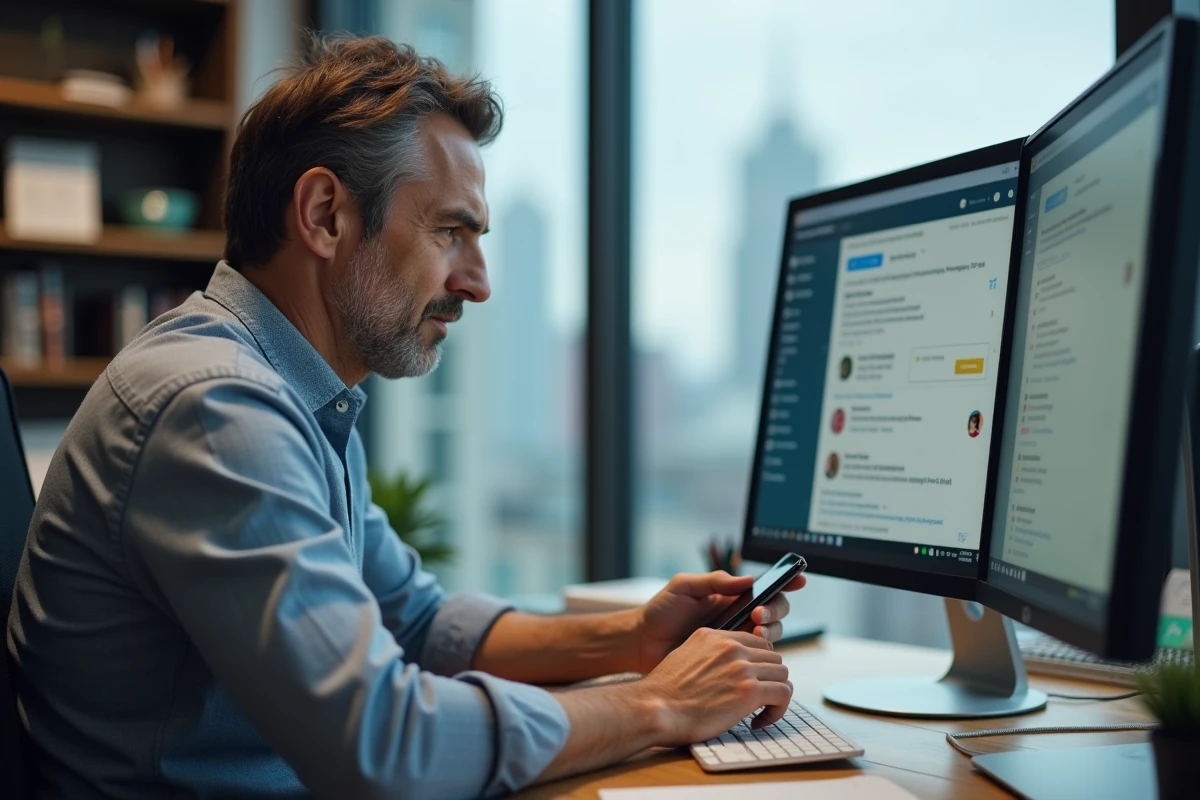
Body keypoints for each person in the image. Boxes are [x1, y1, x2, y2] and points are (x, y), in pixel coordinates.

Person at [6, 36, 805, 799]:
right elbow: (381, 744)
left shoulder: (297, 394)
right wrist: (656, 704)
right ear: (324, 215)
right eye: (450, 231)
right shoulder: (215, 408)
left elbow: (419, 621)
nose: (479, 282)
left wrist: (632, 639)